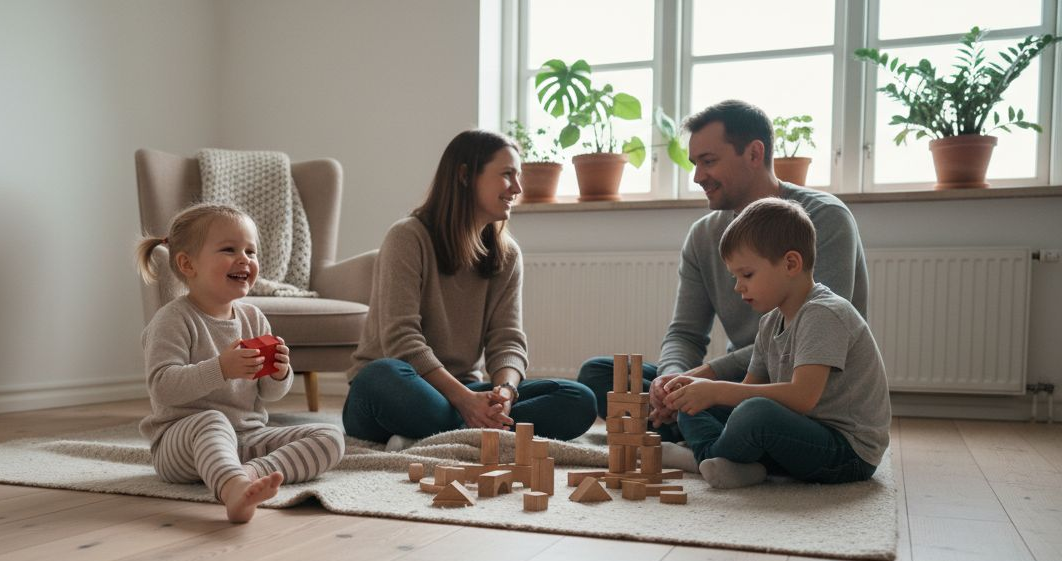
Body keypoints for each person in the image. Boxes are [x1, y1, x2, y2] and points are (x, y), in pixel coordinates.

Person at [577, 100, 869, 438]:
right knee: (599, 376)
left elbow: (808, 335)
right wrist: (670, 383)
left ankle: (704, 431)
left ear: (754, 154)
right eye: (695, 164)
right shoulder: (703, 236)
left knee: (748, 411)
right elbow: (685, 333)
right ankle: (694, 425)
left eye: (708, 161)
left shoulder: (824, 219)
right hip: (738, 382)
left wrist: (705, 378)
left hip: (802, 390)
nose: (698, 176)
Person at [342, 129, 597, 445]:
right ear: (465, 176)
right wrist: (464, 400)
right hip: (402, 386)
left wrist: (505, 392)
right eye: (507, 175)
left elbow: (507, 340)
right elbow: (401, 340)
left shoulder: (507, 254)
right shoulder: (408, 237)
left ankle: (444, 433)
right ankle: (470, 430)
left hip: (463, 390)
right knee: (380, 377)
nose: (517, 188)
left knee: (578, 399)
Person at [134, 203, 345, 523]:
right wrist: (221, 367)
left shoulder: (253, 317)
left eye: (251, 251)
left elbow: (270, 395)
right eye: (229, 249)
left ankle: (248, 473)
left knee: (330, 437)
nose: (245, 259)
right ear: (187, 264)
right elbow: (163, 388)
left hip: (246, 438)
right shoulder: (173, 320)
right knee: (212, 420)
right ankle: (232, 490)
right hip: (183, 444)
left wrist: (280, 373)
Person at [660, 197, 890, 489]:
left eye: (747, 274)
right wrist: (702, 393)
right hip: (798, 433)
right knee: (693, 402)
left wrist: (716, 389)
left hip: (847, 451)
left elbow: (802, 397)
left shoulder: (824, 313)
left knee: (754, 413)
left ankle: (702, 457)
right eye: (735, 276)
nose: (737, 286)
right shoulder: (770, 322)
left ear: (790, 263)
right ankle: (730, 464)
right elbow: (747, 389)